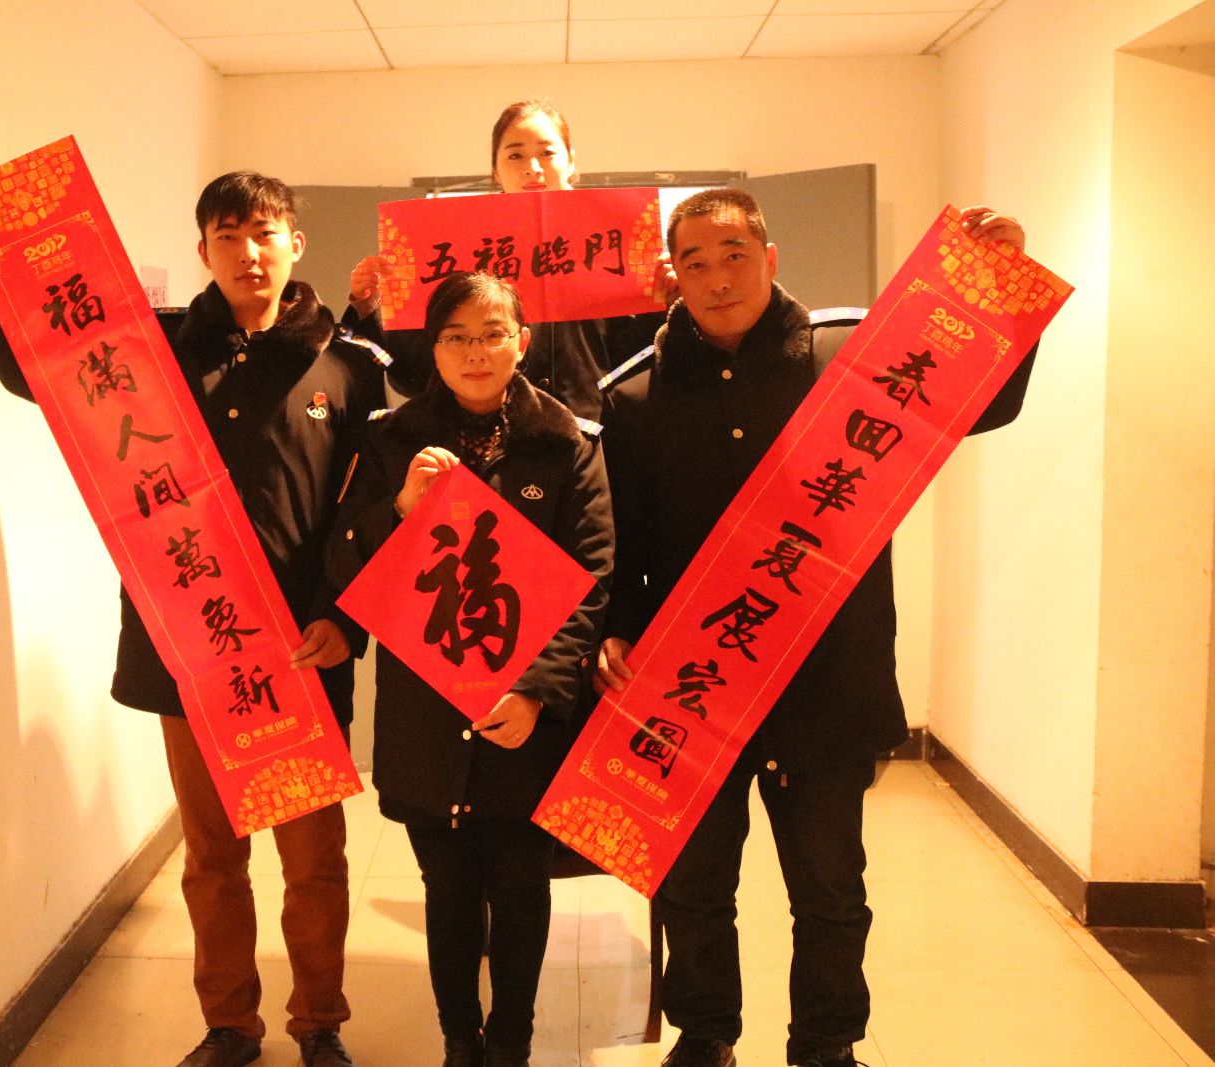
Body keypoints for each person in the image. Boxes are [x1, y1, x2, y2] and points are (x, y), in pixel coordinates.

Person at [0, 171, 385, 1067]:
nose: (248, 252)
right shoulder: (156, 350)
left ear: (295, 243)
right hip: (191, 643)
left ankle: (319, 1022)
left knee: (313, 860)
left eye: (264, 233)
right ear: (203, 252)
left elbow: (367, 508)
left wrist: (346, 618)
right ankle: (230, 1025)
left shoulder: (344, 366)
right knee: (213, 855)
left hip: (301, 650)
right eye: (228, 237)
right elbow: (46, 369)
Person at [596, 188, 1034, 1067]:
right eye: (695, 263)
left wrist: (1000, 281)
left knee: (830, 888)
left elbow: (979, 400)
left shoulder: (851, 356)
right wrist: (616, 629)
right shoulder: (637, 395)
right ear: (673, 276)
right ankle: (705, 1033)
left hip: (826, 678)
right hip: (695, 684)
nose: (718, 278)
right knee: (693, 883)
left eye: (734, 255)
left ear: (770, 256)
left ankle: (826, 1043)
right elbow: (628, 540)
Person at [326, 272, 613, 1067]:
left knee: (521, 885)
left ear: (522, 341)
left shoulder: (568, 442)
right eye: (456, 337)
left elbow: (594, 577)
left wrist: (538, 689)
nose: (475, 352)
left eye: (492, 334)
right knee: (447, 888)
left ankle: (511, 1040)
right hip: (426, 707)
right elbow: (345, 567)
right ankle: (460, 1037)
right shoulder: (391, 441)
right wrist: (401, 510)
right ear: (433, 348)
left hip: (526, 712)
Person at [342, 99, 674, 422]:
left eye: (547, 152)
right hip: (484, 433)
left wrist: (668, 303)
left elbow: (639, 363)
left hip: (590, 431)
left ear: (571, 161)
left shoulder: (614, 240)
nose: (533, 167)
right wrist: (371, 306)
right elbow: (415, 368)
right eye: (515, 155)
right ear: (495, 170)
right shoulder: (451, 242)